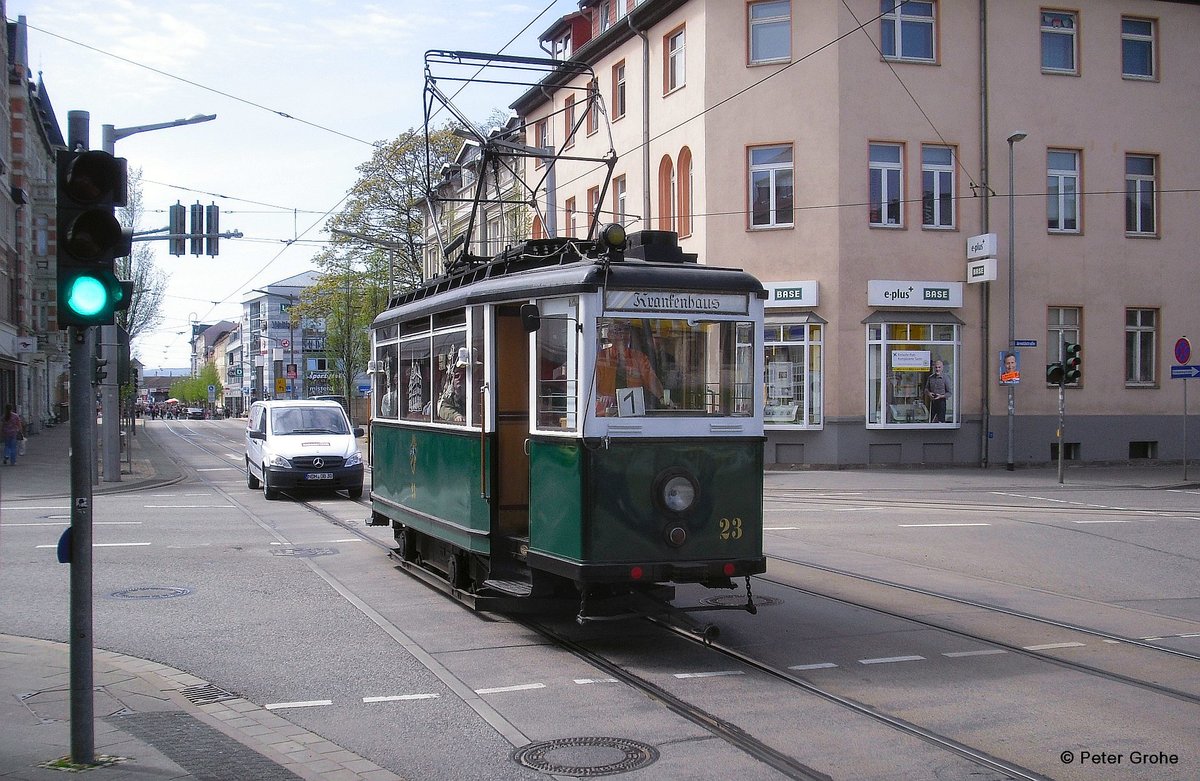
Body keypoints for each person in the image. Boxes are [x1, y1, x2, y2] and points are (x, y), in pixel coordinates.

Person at [595, 320, 665, 415]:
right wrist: (603, 397)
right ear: (609, 335)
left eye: (626, 330)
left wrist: (663, 398)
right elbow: (591, 387)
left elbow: (651, 380)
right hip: (604, 413)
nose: (623, 334)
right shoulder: (601, 357)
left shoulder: (639, 357)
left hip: (633, 411)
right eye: (618, 330)